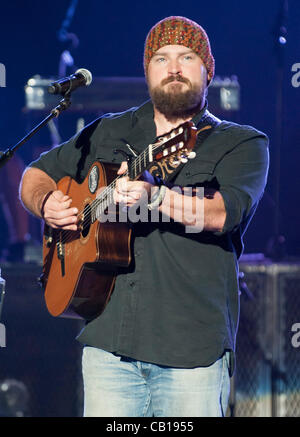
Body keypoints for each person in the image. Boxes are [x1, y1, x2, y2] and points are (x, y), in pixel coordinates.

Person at [19, 16, 269, 417]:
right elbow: (35, 174)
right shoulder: (109, 130)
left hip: (191, 354)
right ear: (147, 70)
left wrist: (156, 197)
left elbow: (223, 214)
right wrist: (46, 201)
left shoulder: (241, 143)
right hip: (108, 349)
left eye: (187, 57)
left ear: (208, 70)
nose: (173, 68)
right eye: (161, 59)